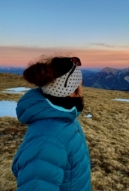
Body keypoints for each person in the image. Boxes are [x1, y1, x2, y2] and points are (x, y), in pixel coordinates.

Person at [12, 56, 91, 191]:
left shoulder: (64, 117)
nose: (82, 88)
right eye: (80, 83)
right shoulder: (48, 138)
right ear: (71, 91)